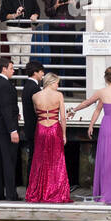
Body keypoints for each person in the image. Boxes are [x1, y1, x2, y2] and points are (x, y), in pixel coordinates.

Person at [69, 66, 111, 204]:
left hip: (108, 125)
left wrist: (73, 110)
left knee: (107, 159)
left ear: (106, 78)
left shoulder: (102, 92)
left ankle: (107, 192)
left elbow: (87, 103)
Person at [25, 72, 70, 204]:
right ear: (51, 82)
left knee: (40, 160)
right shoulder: (59, 95)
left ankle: (40, 191)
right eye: (57, 83)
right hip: (54, 128)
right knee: (56, 161)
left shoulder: (35, 96)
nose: (58, 85)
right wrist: (64, 134)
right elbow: (63, 117)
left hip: (41, 129)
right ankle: (55, 191)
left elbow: (36, 112)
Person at [0, 55, 20, 201]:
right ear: (4, 69)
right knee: (8, 160)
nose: (13, 71)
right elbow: (6, 108)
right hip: (5, 128)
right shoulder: (5, 85)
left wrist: (14, 113)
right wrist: (12, 129)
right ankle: (11, 194)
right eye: (11, 68)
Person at [0, 0, 40, 72]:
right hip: (14, 28)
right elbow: (3, 15)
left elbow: (36, 9)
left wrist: (35, 15)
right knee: (15, 57)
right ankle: (14, 84)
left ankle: (26, 85)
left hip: (27, 28)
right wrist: (15, 15)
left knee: (26, 57)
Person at [45, 0, 79, 87]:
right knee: (55, 59)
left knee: (69, 59)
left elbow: (76, 13)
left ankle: (69, 87)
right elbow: (48, 13)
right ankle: (55, 86)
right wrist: (56, 5)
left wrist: (74, 4)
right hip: (55, 29)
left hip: (69, 29)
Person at [20, 58, 45, 184]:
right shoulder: (34, 88)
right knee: (36, 158)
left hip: (28, 126)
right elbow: (39, 109)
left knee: (32, 157)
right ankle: (34, 185)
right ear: (35, 72)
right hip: (35, 127)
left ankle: (31, 185)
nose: (43, 74)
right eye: (41, 72)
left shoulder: (27, 86)